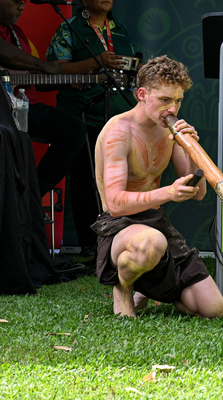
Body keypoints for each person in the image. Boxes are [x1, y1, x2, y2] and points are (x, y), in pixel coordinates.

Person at [91, 55, 223, 319]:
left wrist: (191, 148)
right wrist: (169, 193)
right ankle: (124, 288)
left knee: (212, 309)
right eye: (164, 100)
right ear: (142, 94)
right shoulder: (119, 131)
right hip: (119, 226)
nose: (172, 109)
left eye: (178, 100)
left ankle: (147, 290)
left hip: (155, 223)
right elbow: (115, 204)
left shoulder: (168, 131)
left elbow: (199, 193)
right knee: (153, 242)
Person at [0, 0, 87, 197]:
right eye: (17, 1)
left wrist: (65, 82)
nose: (22, 5)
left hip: (22, 107)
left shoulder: (16, 32)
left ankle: (32, 194)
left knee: (73, 129)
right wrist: (44, 65)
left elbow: (28, 78)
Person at [46, 0, 136, 258]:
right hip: (82, 116)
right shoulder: (70, 28)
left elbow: (128, 69)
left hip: (117, 118)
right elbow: (54, 69)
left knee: (121, 179)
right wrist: (95, 62)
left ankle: (122, 240)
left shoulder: (120, 29)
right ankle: (90, 246)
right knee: (87, 180)